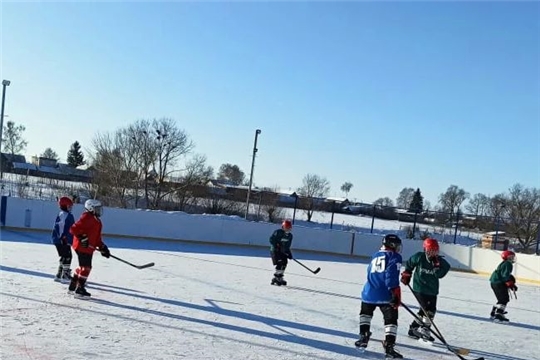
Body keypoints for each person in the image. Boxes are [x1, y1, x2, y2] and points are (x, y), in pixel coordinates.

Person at [356, 234, 403, 359]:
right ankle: (389, 346)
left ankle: (363, 336)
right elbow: (391, 275)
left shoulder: (375, 255)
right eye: (397, 245)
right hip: (385, 294)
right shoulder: (395, 256)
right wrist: (395, 292)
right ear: (392, 245)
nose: (398, 248)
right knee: (391, 320)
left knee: (365, 314)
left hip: (369, 292)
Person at [400, 237, 451, 342]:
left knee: (429, 310)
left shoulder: (440, 261)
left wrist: (437, 269)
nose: (433, 253)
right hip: (419, 288)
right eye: (431, 250)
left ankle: (413, 328)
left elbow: (442, 273)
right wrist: (407, 273)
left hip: (432, 290)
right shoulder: (419, 257)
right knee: (426, 309)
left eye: (435, 250)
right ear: (426, 250)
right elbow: (409, 263)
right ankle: (425, 329)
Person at [68, 199, 111, 298]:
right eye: (97, 209)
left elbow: (97, 238)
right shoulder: (86, 217)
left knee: (83, 266)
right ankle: (80, 289)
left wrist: (103, 247)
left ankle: (73, 284)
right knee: (86, 267)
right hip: (82, 246)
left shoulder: (97, 221)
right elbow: (73, 229)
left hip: (88, 248)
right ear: (91, 208)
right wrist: (82, 237)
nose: (99, 211)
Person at [51, 196, 76, 283]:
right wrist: (63, 237)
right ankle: (65, 275)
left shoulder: (62, 214)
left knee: (64, 256)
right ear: (65, 206)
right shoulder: (66, 215)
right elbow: (59, 226)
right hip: (62, 240)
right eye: (69, 206)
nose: (70, 208)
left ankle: (59, 274)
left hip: (60, 240)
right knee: (68, 256)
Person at [489, 250, 517, 322]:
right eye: (511, 257)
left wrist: (510, 278)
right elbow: (504, 275)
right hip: (498, 283)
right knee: (504, 299)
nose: (512, 258)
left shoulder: (504, 263)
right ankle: (498, 315)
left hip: (494, 282)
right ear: (506, 257)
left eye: (513, 257)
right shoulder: (508, 264)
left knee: (501, 299)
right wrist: (510, 284)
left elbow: (503, 273)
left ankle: (494, 312)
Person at [269, 219, 293, 286]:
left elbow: (287, 246)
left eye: (289, 228)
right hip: (275, 251)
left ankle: (280, 277)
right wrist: (276, 245)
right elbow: (271, 239)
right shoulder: (278, 232)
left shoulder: (290, 236)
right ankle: (277, 277)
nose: (287, 229)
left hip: (282, 251)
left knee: (285, 263)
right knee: (280, 262)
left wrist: (289, 253)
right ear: (283, 227)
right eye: (286, 228)